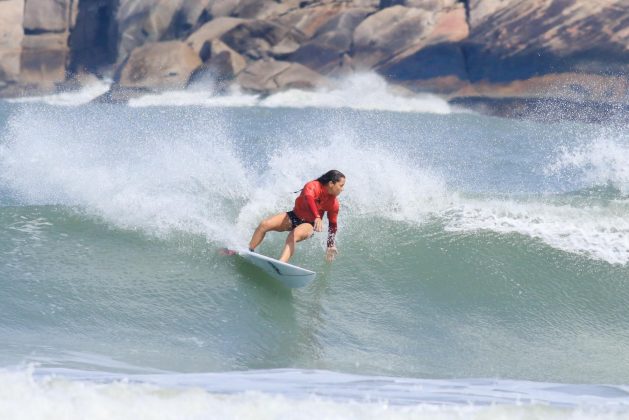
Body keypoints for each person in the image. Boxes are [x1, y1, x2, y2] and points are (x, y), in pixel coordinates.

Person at [248, 170, 345, 263]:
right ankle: (249, 250)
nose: (342, 189)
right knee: (264, 224)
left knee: (292, 236)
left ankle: (281, 264)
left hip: (309, 224)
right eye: (341, 185)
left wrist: (330, 245)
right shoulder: (313, 185)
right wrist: (317, 216)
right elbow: (309, 198)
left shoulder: (334, 204)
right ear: (331, 183)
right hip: (294, 216)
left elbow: (333, 225)